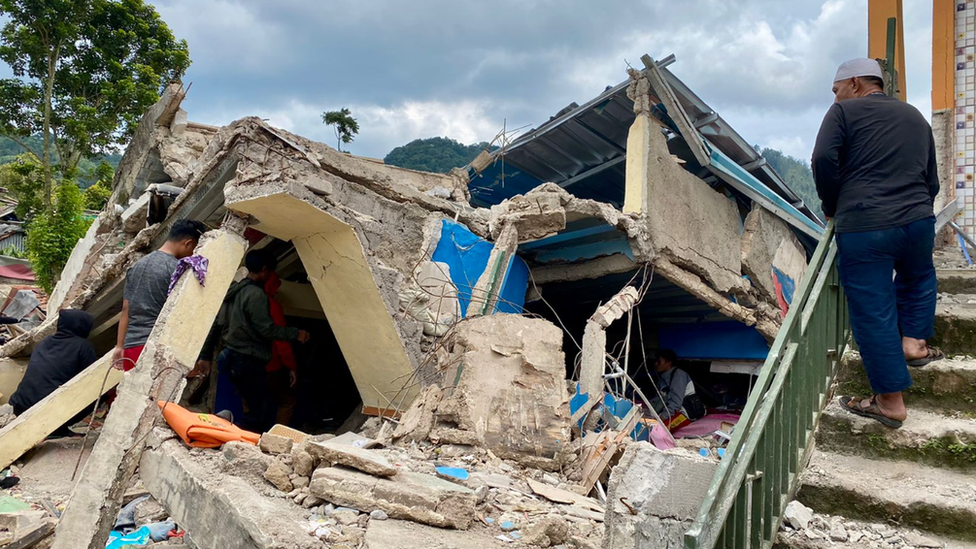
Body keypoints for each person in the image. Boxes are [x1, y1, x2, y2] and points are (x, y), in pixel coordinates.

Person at [812, 58, 941, 429]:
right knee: (919, 278)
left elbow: (823, 159)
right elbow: (930, 176)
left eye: (836, 90)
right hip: (917, 219)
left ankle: (889, 402)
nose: (835, 97)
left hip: (865, 224)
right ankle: (915, 344)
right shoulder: (915, 116)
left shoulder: (843, 113)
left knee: (873, 308)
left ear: (853, 82)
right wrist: (919, 208)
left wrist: (833, 206)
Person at [196, 249, 310, 433]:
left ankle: (232, 435)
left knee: (252, 405)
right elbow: (266, 329)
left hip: (229, 357)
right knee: (258, 413)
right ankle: (234, 441)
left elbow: (216, 326)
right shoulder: (257, 295)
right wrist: (296, 334)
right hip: (247, 359)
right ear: (265, 270)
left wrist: (205, 355)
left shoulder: (232, 292)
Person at [113, 219, 208, 370]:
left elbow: (126, 309)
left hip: (131, 348)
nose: (192, 253)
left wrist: (119, 346)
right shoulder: (177, 269)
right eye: (194, 249)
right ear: (188, 243)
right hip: (157, 349)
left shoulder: (137, 266)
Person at [10, 310, 96, 429]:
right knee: (99, 391)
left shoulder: (44, 342)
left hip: (21, 405)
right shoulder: (82, 346)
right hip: (48, 409)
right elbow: (93, 377)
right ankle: (59, 428)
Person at [264, 271, 298, 426]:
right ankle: (278, 437)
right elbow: (281, 342)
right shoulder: (272, 306)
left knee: (251, 403)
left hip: (245, 362)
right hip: (271, 364)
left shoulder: (243, 298)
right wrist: (292, 367)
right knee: (287, 402)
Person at [650, 349, 705, 431]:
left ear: (669, 363)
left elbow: (676, 402)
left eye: (659, 361)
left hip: (684, 413)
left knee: (657, 431)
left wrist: (663, 416)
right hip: (670, 411)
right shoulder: (663, 377)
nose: (656, 363)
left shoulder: (678, 376)